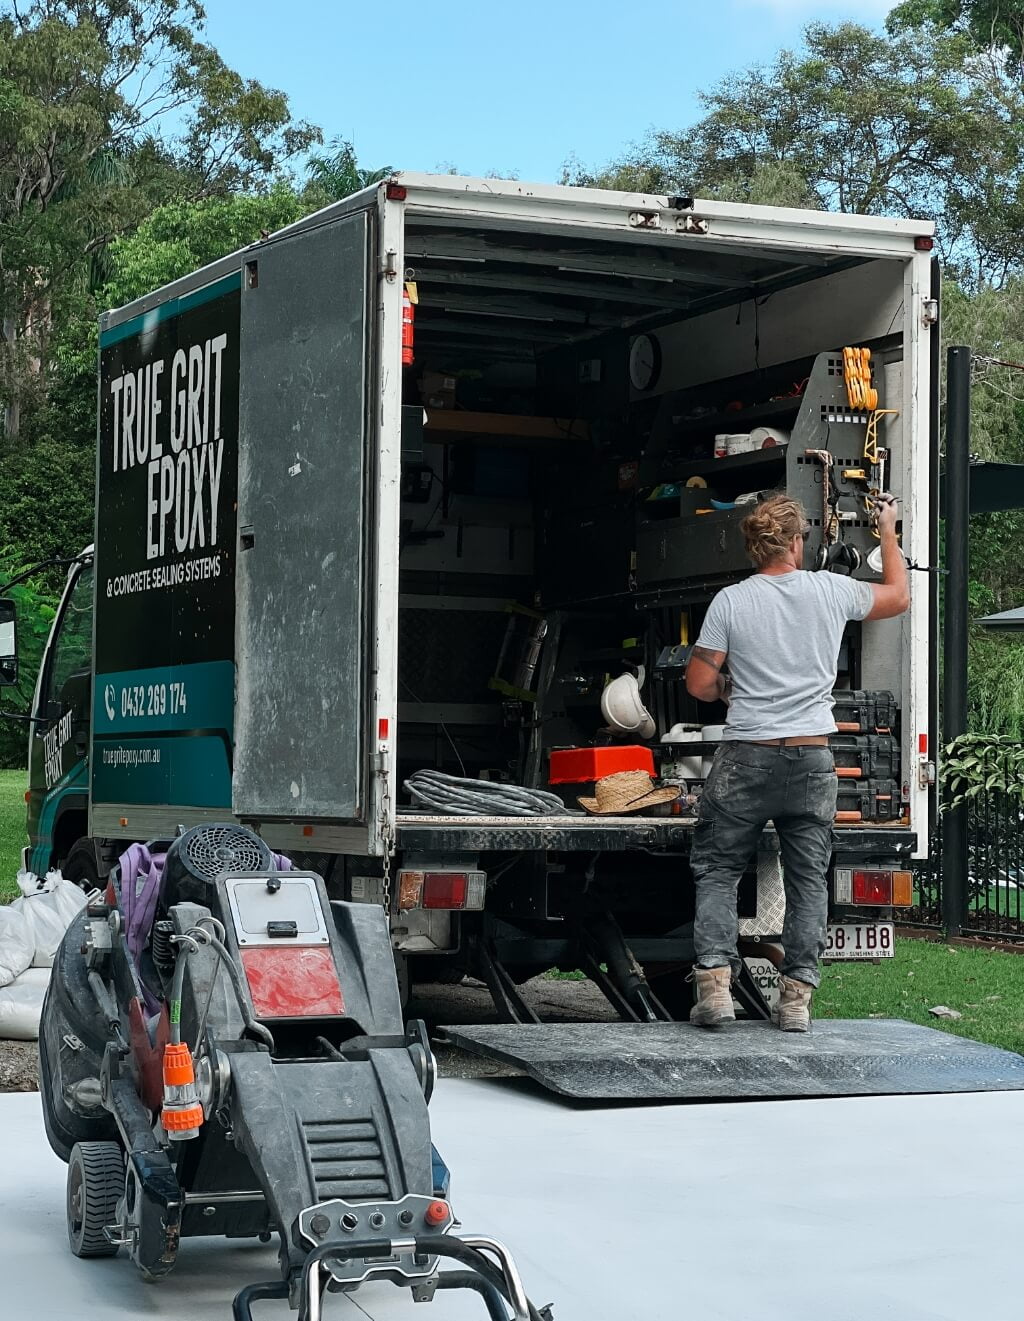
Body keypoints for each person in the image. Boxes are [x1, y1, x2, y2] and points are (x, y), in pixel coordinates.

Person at [684, 491, 909, 1032]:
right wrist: (888, 531)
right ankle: (795, 1000)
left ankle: (715, 988)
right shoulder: (830, 590)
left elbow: (698, 682)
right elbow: (899, 597)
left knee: (717, 870)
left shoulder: (731, 602)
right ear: (793, 542)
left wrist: (725, 691)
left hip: (747, 758)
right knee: (808, 880)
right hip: (812, 759)